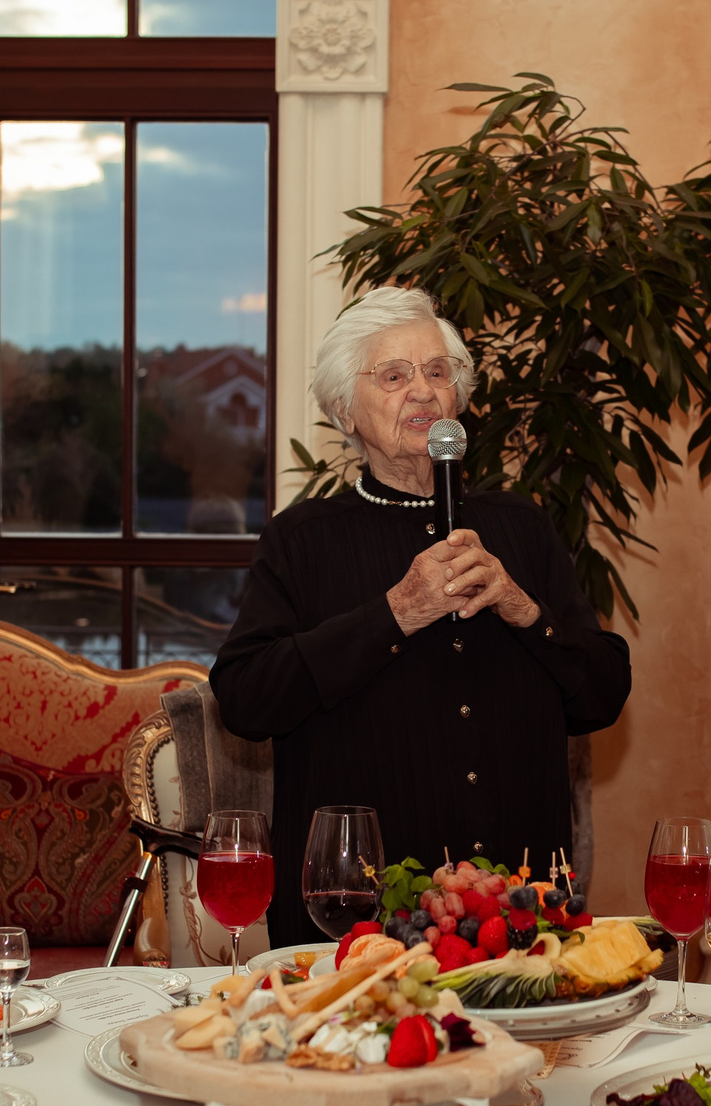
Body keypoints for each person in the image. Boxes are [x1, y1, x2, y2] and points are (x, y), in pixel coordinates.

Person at [211, 287, 631, 946]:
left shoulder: (521, 527)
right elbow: (244, 697)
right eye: (395, 374)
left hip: (516, 917)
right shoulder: (302, 539)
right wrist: (395, 613)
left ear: (458, 401)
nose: (424, 391)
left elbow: (603, 692)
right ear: (346, 409)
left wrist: (523, 609)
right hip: (359, 920)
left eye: (438, 372)